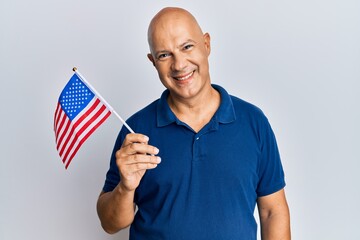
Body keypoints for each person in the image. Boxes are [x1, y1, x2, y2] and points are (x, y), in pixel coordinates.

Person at [97, 7, 291, 240]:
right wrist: (125, 188)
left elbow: (272, 212)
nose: (179, 65)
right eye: (164, 55)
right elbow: (110, 224)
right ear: (153, 62)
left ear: (206, 44)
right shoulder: (136, 130)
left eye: (187, 47)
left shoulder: (253, 122)